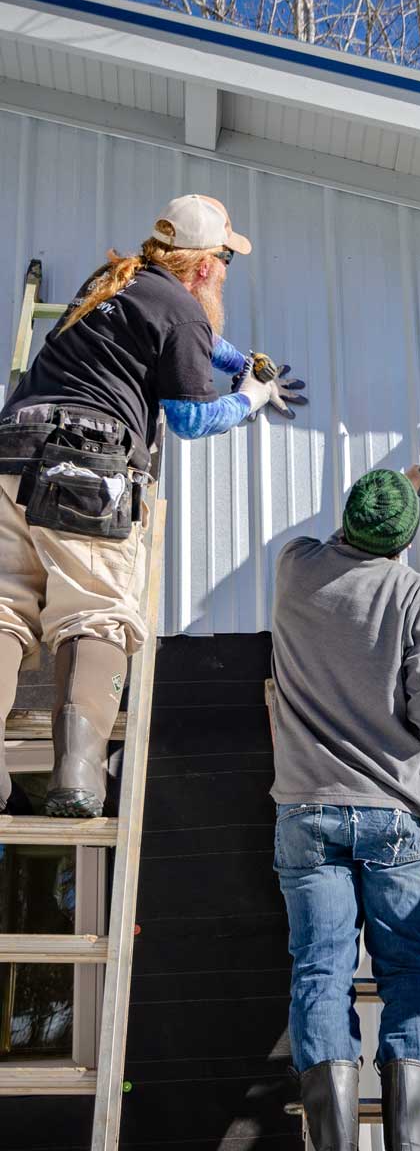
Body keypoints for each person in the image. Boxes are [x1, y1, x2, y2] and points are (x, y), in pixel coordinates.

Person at [0, 194, 305, 818]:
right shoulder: (184, 312)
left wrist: (241, 360)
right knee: (96, 612)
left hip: (10, 452)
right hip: (84, 467)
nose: (226, 271)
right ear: (202, 267)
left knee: (3, 611)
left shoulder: (114, 281)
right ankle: (78, 777)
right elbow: (191, 418)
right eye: (225, 259)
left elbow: (189, 339)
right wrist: (250, 396)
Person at [270, 465, 420, 1151]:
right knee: (410, 973)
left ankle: (333, 1144)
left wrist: (394, 501)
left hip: (308, 809)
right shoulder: (415, 592)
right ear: (405, 542)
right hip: (392, 812)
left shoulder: (295, 568)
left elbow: (340, 545)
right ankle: (409, 1142)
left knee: (320, 971)